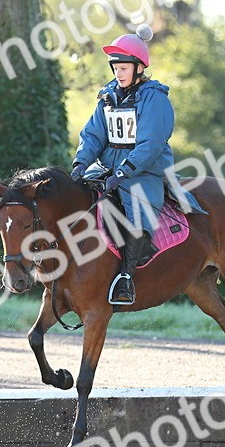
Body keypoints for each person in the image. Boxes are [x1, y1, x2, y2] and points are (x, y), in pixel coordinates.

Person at [71, 24, 205, 305]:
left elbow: (150, 144)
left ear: (139, 68)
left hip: (143, 171)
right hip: (108, 168)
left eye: (123, 68)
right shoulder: (108, 97)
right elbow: (93, 134)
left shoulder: (155, 98)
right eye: (115, 68)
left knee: (138, 215)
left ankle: (126, 278)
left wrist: (124, 171)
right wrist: (81, 163)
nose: (118, 73)